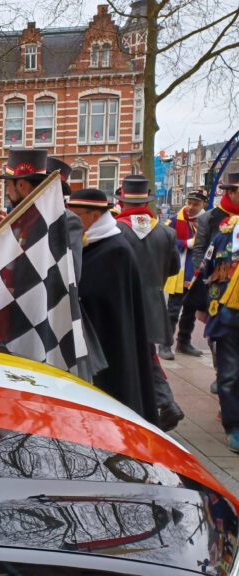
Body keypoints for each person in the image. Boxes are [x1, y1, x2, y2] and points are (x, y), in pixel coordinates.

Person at [0, 148, 104, 381]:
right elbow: (13, 275)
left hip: (47, 330)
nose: (7, 192)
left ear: (21, 185)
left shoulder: (64, 221)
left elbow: (62, 277)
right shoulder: (20, 221)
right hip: (16, 327)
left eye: (9, 185)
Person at [66, 188, 158, 423]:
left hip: (110, 344)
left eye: (76, 215)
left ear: (95, 215)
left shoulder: (115, 250)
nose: (71, 221)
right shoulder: (91, 244)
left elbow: (102, 299)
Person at [114, 174, 183, 431]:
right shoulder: (166, 232)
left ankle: (151, 405)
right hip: (153, 304)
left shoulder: (115, 229)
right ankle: (163, 402)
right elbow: (174, 269)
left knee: (129, 355)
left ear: (122, 202)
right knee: (147, 353)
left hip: (124, 304)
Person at [199, 205, 239, 451]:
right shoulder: (227, 233)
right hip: (230, 316)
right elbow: (208, 268)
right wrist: (204, 306)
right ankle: (234, 426)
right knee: (230, 374)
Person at [160, 189, 208, 359]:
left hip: (198, 273)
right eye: (189, 203)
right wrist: (186, 243)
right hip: (180, 272)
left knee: (190, 310)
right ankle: (165, 345)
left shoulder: (207, 221)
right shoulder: (175, 220)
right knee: (173, 310)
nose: (190, 207)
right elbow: (165, 240)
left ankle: (184, 342)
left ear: (204, 204)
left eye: (195, 204)